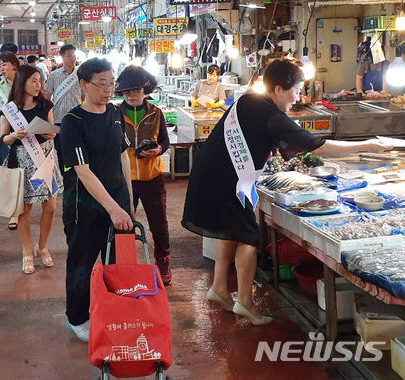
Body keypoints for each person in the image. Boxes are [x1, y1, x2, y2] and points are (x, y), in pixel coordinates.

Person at [181, 58, 392, 326]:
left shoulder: (249, 101)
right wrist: (368, 146)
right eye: (295, 90)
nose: (298, 97)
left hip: (211, 171)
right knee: (248, 235)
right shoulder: (271, 115)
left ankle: (219, 288)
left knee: (231, 227)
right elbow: (317, 146)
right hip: (227, 179)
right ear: (279, 88)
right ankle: (244, 302)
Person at [60, 58, 134, 341]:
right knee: (81, 265)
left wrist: (128, 199)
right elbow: (83, 171)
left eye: (111, 83)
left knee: (116, 265)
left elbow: (122, 155)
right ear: (84, 85)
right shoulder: (72, 122)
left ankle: (114, 312)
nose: (108, 90)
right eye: (101, 84)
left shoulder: (115, 112)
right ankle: (77, 318)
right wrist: (114, 208)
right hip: (84, 209)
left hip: (117, 207)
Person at [0, 64, 63, 274]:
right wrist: (14, 136)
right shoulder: (10, 108)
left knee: (50, 206)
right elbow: (3, 139)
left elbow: (53, 130)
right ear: (22, 82)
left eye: (40, 81)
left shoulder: (45, 104)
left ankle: (41, 246)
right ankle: (26, 250)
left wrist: (50, 134)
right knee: (25, 209)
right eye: (34, 81)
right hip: (22, 160)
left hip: (44, 158)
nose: (38, 85)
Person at [116, 65, 172, 286]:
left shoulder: (156, 113)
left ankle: (163, 262)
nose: (131, 95)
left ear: (144, 90)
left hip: (152, 177)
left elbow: (165, 141)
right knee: (124, 222)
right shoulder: (115, 114)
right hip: (124, 179)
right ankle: (124, 264)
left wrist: (158, 150)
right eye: (126, 91)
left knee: (159, 223)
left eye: (135, 90)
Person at [0, 51, 21, 231]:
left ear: (14, 64)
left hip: (26, 135)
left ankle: (23, 206)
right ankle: (13, 212)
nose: (1, 68)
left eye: (4, 64)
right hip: (7, 137)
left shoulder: (24, 82)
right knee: (10, 173)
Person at [43, 44, 83, 171]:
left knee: (77, 148)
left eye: (74, 56)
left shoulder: (81, 74)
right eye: (69, 56)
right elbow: (46, 97)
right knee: (60, 150)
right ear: (62, 57)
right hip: (58, 118)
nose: (72, 59)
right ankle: (62, 177)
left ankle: (76, 175)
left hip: (77, 119)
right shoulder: (54, 75)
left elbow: (83, 97)